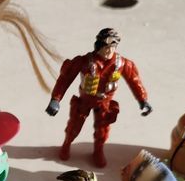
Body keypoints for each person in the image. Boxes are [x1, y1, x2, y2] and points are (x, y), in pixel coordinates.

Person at [46, 28, 152, 167]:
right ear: (99, 46)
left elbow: (134, 80)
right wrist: (55, 99)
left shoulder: (122, 63)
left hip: (104, 103)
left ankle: (98, 151)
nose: (109, 51)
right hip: (85, 100)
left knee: (102, 131)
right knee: (74, 126)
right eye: (106, 47)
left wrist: (143, 99)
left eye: (112, 47)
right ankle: (67, 144)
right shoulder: (84, 61)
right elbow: (65, 79)